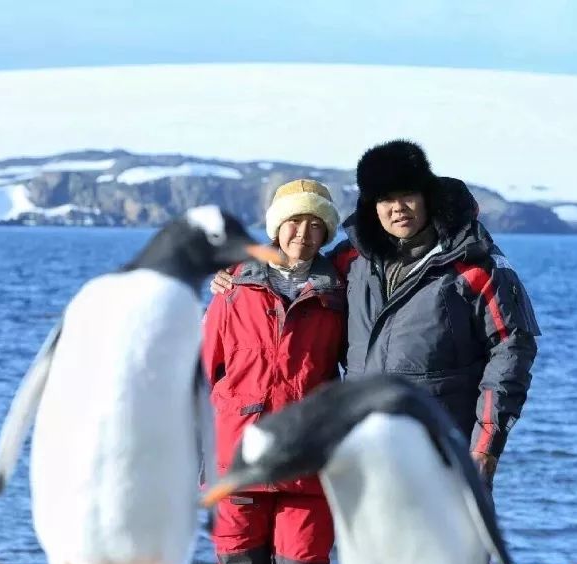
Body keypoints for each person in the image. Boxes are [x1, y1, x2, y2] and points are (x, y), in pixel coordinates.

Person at [212, 140, 540, 489]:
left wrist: (486, 445)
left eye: (407, 196)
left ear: (427, 196)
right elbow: (294, 272)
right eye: (385, 199)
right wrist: (236, 276)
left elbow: (512, 349)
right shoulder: (351, 260)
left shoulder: (474, 264)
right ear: (372, 206)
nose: (398, 208)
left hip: (443, 453)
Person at [200, 178, 344, 564]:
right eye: (294, 222)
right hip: (237, 461)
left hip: (307, 462)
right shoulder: (233, 291)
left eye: (315, 225)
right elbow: (206, 374)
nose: (303, 234)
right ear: (276, 228)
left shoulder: (338, 296)